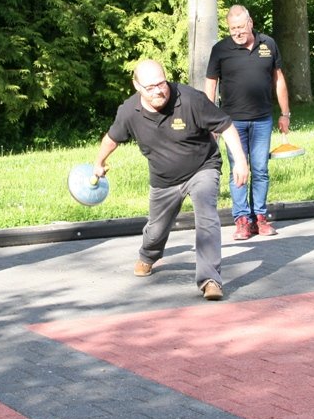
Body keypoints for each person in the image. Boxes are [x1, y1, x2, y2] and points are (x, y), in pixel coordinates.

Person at [93, 60, 249, 301]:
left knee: (207, 216)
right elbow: (112, 138)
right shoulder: (129, 111)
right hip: (164, 179)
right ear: (137, 86)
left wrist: (240, 161)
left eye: (161, 83)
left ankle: (210, 280)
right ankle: (148, 255)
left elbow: (226, 126)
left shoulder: (190, 99)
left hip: (202, 167)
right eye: (150, 87)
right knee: (156, 230)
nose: (158, 91)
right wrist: (99, 162)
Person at [204, 5, 291, 240]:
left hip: (263, 119)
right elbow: (211, 84)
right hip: (232, 123)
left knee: (261, 169)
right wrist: (211, 120)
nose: (237, 33)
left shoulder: (268, 44)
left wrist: (285, 113)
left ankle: (260, 217)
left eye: (241, 27)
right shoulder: (220, 49)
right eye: (233, 29)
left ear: (250, 23)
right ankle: (242, 219)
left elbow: (278, 79)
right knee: (239, 170)